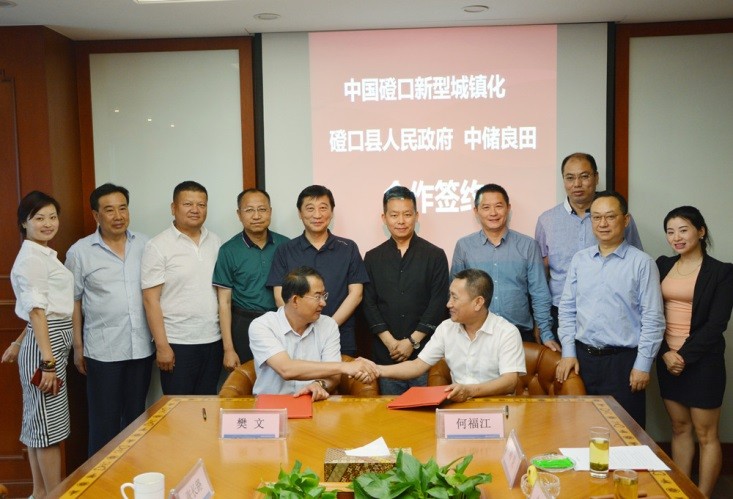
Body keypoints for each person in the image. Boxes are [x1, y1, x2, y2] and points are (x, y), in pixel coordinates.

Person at [556, 191, 665, 428]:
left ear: (625, 220)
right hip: (583, 360)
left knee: (626, 433)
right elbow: (567, 309)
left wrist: (643, 364)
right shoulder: (580, 260)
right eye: (596, 217)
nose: (602, 224)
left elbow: (653, 319)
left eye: (610, 216)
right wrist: (568, 352)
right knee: (580, 430)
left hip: (624, 363)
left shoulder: (642, 263)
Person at [65, 183, 154, 456]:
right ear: (96, 215)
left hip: (141, 347)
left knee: (136, 420)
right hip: (103, 350)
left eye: (123, 208)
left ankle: (133, 473)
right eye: (109, 210)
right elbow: (73, 300)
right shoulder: (80, 251)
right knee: (104, 423)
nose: (118, 216)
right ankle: (100, 478)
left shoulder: (146, 244)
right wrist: (77, 347)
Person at [655, 206, 733, 496]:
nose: (676, 237)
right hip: (667, 359)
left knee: (706, 434)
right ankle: (681, 490)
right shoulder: (662, 265)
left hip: (703, 362)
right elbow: (651, 313)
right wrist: (665, 352)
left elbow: (717, 324)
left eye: (683, 230)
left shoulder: (721, 272)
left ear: (701, 232)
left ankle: (702, 494)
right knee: (679, 427)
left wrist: (683, 356)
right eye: (670, 231)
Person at [535, 152, 643, 341]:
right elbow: (540, 275)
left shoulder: (617, 218)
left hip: (610, 314)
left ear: (596, 177)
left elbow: (635, 264)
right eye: (570, 178)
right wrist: (542, 322)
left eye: (584, 176)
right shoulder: (547, 220)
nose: (577, 184)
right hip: (560, 313)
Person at [9, 191, 73, 497]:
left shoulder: (42, 254)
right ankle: (54, 494)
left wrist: (18, 342)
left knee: (39, 425)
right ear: (24, 222)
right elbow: (37, 311)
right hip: (46, 349)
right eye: (39, 218)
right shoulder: (33, 258)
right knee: (49, 430)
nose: (48, 223)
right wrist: (47, 363)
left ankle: (39, 493)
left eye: (52, 217)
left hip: (45, 342)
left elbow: (39, 309)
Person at [377, 269, 526, 402]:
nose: (448, 304)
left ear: (478, 302)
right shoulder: (446, 328)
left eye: (455, 298)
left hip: (497, 409)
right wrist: (377, 370)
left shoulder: (507, 332)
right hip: (459, 409)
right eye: (450, 297)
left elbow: (509, 382)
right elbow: (417, 366)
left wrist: (470, 391)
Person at [363, 186, 449, 394]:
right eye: (394, 215)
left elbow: (438, 302)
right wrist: (390, 342)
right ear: (384, 218)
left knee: (424, 411)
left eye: (407, 214)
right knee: (390, 410)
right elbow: (368, 303)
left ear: (416, 216)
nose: (401, 221)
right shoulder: (372, 257)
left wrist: (412, 341)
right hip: (387, 354)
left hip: (425, 353)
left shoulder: (435, 255)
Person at [451, 183, 556, 350]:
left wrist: (545, 332)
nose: (493, 213)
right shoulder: (464, 246)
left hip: (519, 334)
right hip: (475, 335)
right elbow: (455, 295)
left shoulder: (528, 245)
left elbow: (539, 292)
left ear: (508, 208)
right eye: (486, 207)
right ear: (476, 211)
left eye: (499, 206)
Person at [267, 185, 369, 356]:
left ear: (332, 212)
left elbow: (356, 294)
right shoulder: (285, 250)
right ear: (300, 213)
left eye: (323, 208)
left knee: (341, 373)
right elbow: (280, 296)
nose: (317, 215)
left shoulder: (348, 248)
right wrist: (302, 326)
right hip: (296, 337)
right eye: (310, 208)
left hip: (340, 335)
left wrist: (328, 328)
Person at [141, 181, 222, 395]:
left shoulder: (215, 241)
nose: (195, 210)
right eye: (188, 204)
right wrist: (162, 346)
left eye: (201, 205)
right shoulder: (157, 246)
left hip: (213, 340)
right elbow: (150, 300)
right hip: (177, 343)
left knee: (208, 405)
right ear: (173, 208)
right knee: (178, 408)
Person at [250, 267, 378, 401]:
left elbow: (334, 376)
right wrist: (345, 367)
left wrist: (319, 384)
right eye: (317, 296)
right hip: (272, 405)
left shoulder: (328, 325)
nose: (323, 303)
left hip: (314, 403)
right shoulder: (263, 325)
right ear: (295, 300)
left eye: (324, 295)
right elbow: (286, 369)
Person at [213, 188, 288, 373]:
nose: (256, 216)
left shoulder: (286, 245)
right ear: (239, 214)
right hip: (244, 323)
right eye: (249, 210)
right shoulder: (229, 250)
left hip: (281, 320)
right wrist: (228, 349)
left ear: (270, 211)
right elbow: (224, 302)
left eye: (262, 209)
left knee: (284, 376)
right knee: (248, 379)